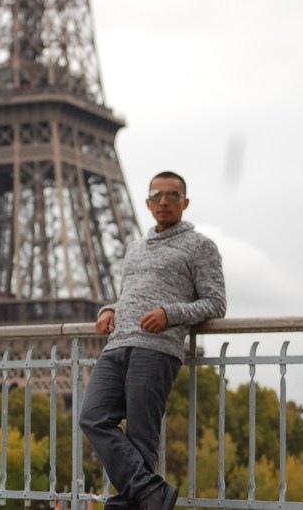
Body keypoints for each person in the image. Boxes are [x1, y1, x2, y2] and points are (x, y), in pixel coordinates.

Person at [78, 171, 227, 510]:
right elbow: (130, 295)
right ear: (147, 203)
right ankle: (150, 492)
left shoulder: (200, 246)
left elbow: (216, 303)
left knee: (141, 438)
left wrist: (169, 314)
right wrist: (109, 309)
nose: (164, 201)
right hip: (116, 345)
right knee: (92, 415)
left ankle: (131, 503)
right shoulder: (134, 248)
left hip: (156, 349)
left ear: (185, 202)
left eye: (172, 195)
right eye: (157, 195)